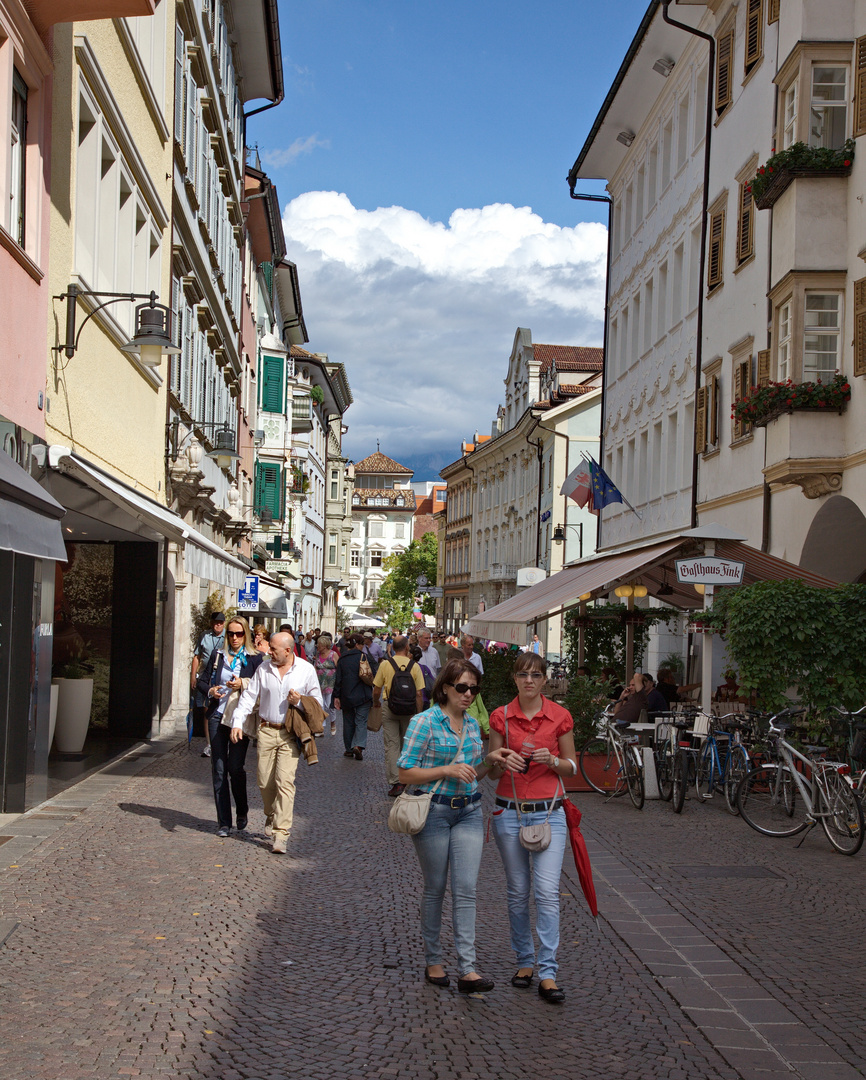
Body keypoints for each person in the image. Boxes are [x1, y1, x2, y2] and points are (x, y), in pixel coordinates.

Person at [397, 658, 521, 993]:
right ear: (446, 687)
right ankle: (434, 960)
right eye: (462, 687)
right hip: (433, 813)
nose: (468, 694)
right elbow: (404, 773)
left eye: (474, 689)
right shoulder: (425, 722)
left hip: (468, 810)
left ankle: (468, 968)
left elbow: (473, 775)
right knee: (435, 887)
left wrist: (488, 762)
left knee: (466, 889)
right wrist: (445, 771)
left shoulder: (471, 725)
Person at [487, 652, 578, 1004]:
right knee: (517, 891)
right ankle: (525, 961)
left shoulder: (559, 717)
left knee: (546, 891)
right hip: (509, 811)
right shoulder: (501, 717)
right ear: (515, 679)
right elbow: (492, 771)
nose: (529, 681)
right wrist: (501, 760)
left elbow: (571, 768)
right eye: (523, 675)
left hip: (549, 812)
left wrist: (553, 761)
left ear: (544, 680)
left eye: (536, 675)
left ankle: (548, 971)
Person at [230, 631, 323, 854]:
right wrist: (237, 723)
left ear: (288, 651)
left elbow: (318, 703)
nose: (268, 652)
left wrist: (300, 701)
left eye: (273, 649)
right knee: (264, 781)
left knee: (285, 782)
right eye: (269, 648)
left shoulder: (306, 670)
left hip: (291, 733)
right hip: (267, 731)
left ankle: (281, 833)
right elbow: (249, 697)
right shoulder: (264, 668)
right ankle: (271, 814)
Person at [196, 616, 264, 837]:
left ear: (246, 635)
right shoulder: (219, 656)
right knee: (218, 769)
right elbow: (202, 680)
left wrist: (242, 684)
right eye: (231, 634)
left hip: (239, 719)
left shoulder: (254, 659)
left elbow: (260, 687)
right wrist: (211, 690)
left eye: (239, 634)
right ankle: (223, 821)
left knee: (235, 768)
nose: (234, 638)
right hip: (217, 715)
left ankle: (242, 810)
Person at [373, 635, 425, 797]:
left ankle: (396, 782)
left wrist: (376, 702)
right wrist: (419, 713)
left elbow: (376, 690)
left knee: (392, 745)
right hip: (409, 709)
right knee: (408, 744)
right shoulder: (415, 666)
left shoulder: (385, 665)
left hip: (390, 707)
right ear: (407, 648)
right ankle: (407, 778)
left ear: (392, 648)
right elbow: (418, 693)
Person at [333, 633, 374, 760]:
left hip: (347, 695)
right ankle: (358, 745)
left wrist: (336, 696)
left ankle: (349, 749)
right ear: (358, 645)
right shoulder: (364, 657)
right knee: (361, 721)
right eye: (362, 644)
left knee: (348, 722)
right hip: (363, 694)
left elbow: (338, 679)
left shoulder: (342, 659)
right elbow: (373, 673)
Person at [191, 612, 226, 757]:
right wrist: (193, 676)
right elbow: (197, 656)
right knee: (207, 710)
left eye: (220, 622)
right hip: (205, 677)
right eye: (216, 622)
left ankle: (221, 741)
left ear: (224, 623)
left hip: (220, 676)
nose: (218, 624)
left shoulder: (228, 636)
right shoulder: (204, 636)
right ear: (212, 623)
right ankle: (209, 744)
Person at [313, 633, 341, 736]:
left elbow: (339, 668)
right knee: (320, 705)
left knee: (329, 705)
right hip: (319, 683)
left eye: (319, 644)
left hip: (331, 683)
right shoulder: (318, 654)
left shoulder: (333, 654)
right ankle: (321, 727)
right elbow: (315, 667)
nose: (317, 646)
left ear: (324, 645)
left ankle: (333, 723)